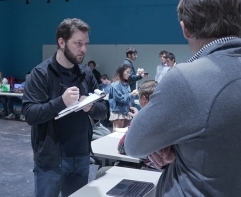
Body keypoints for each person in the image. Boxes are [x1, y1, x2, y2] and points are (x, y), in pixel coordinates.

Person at [125, 0, 241, 197]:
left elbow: (134, 144)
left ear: (185, 29)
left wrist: (171, 146)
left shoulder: (186, 78)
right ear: (239, 23)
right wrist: (183, 148)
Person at [22, 18, 108, 197]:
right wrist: (61, 102)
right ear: (61, 42)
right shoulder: (41, 73)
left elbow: (104, 109)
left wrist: (90, 106)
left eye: (85, 44)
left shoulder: (86, 73)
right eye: (78, 43)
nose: (83, 49)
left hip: (82, 156)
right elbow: (30, 114)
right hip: (52, 161)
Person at [117, 80, 157, 169]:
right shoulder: (167, 116)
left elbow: (122, 148)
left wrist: (136, 120)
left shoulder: (143, 119)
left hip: (151, 169)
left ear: (143, 99)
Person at [108, 64, 138, 131]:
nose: (129, 74)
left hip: (126, 111)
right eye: (127, 72)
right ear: (121, 72)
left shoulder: (126, 84)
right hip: (118, 113)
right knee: (117, 135)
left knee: (125, 135)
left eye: (129, 72)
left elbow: (128, 99)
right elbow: (120, 98)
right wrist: (131, 94)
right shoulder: (115, 84)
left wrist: (132, 95)